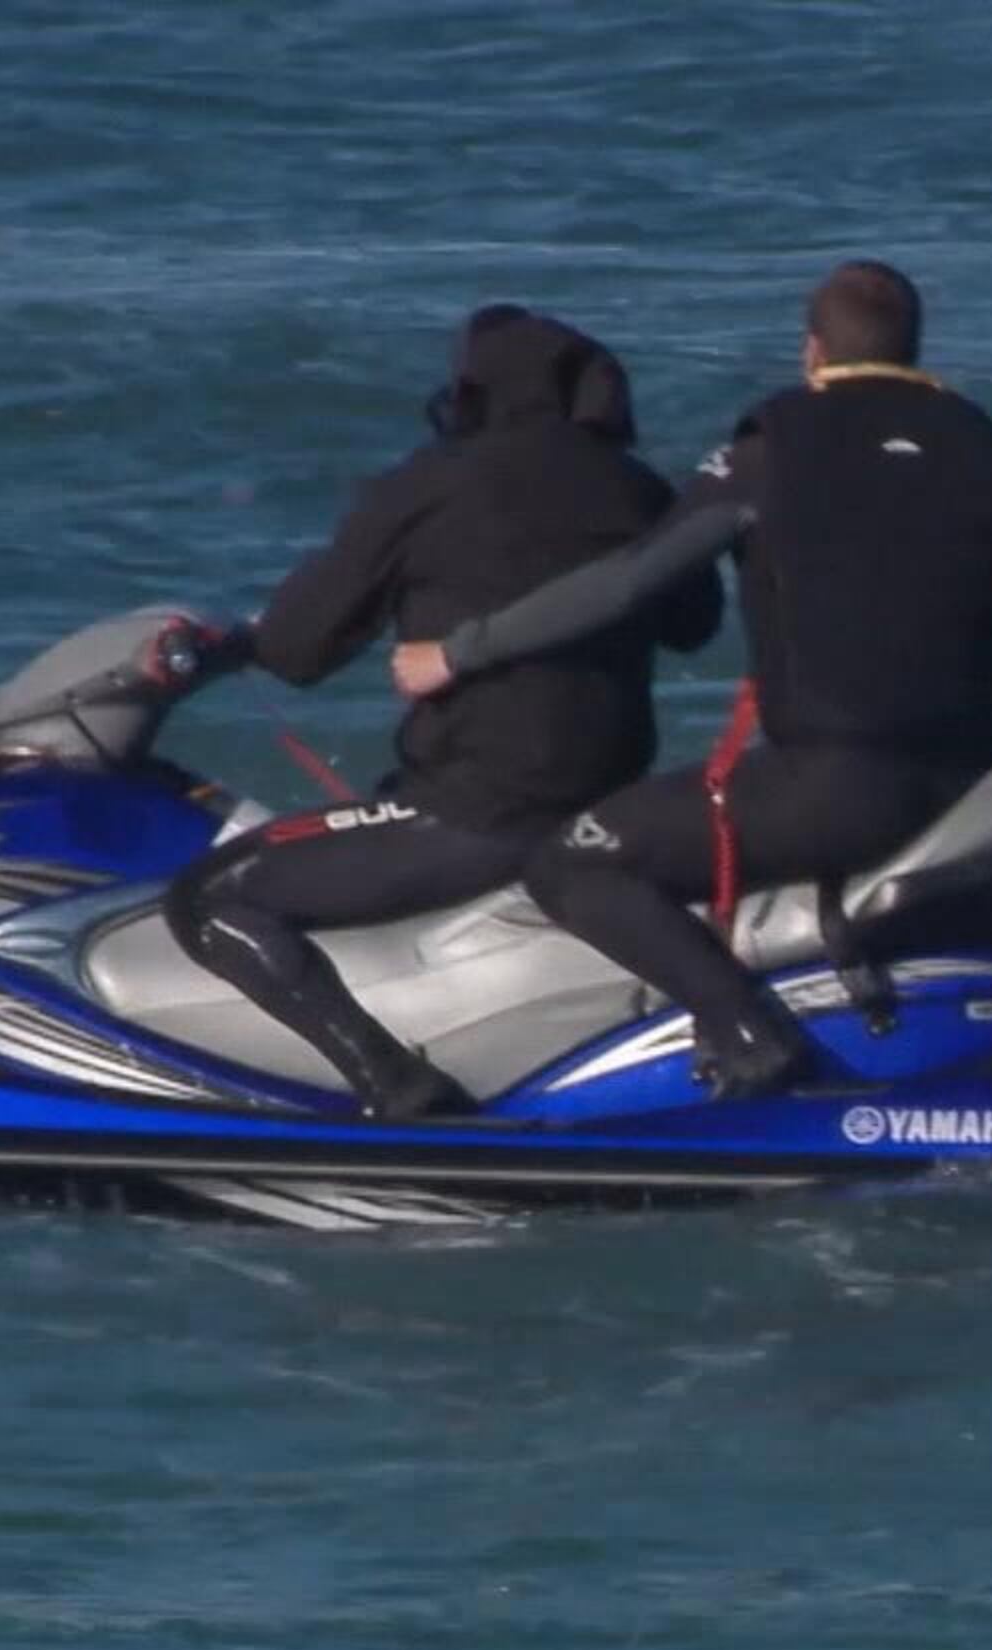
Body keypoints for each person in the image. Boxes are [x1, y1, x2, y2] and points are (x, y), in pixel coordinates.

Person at [387, 259, 992, 1098]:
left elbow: (633, 581)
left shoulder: (772, 445)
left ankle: (747, 1035)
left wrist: (460, 651)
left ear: (813, 352)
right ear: (913, 347)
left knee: (574, 863)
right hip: (962, 793)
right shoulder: (987, 447)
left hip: (831, 790)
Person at [162, 304, 721, 1117]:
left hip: (477, 812)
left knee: (207, 899)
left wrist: (229, 646)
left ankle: (395, 1083)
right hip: (607, 808)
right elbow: (695, 624)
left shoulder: (428, 485)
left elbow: (299, 647)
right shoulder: (635, 486)